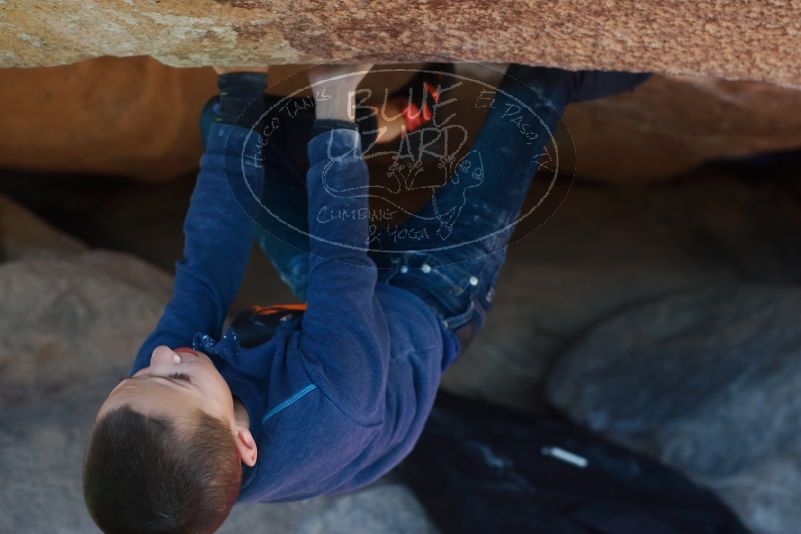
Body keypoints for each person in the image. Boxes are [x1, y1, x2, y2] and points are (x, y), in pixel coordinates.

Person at [82, 62, 649, 533]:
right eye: (176, 376)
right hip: (431, 294)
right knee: (537, 84)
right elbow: (339, 260)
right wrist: (332, 104)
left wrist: (239, 86)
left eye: (133, 377)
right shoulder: (332, 402)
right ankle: (648, 53)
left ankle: (402, 118)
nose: (162, 355)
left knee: (233, 124)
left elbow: (205, 269)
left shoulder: (159, 404)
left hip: (330, 315)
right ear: (244, 443)